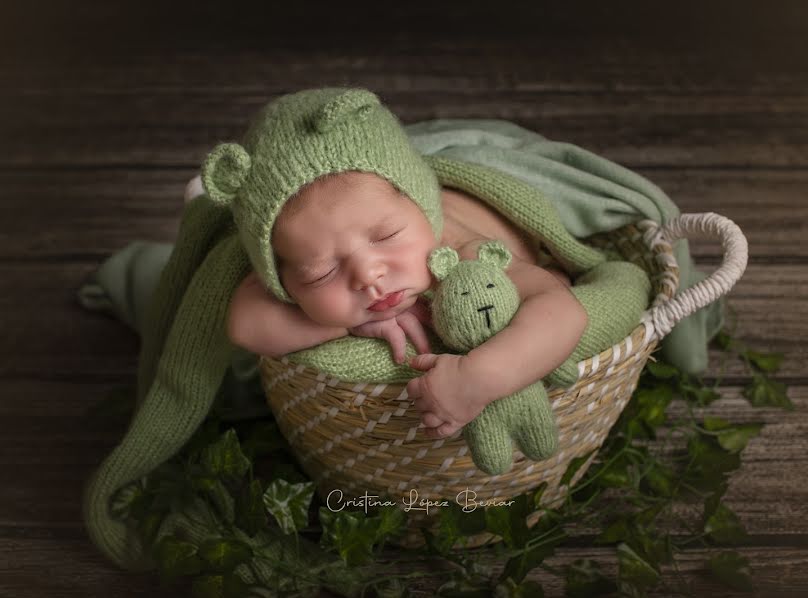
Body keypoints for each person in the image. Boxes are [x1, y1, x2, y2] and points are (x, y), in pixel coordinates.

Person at [221, 90, 588, 440]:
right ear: (282, 281)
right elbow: (243, 325)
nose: (368, 275)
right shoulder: (301, 244)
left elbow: (562, 311)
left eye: (386, 236)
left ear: (422, 210)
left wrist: (476, 380)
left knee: (555, 278)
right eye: (322, 272)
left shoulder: (460, 257)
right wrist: (354, 325)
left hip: (482, 219)